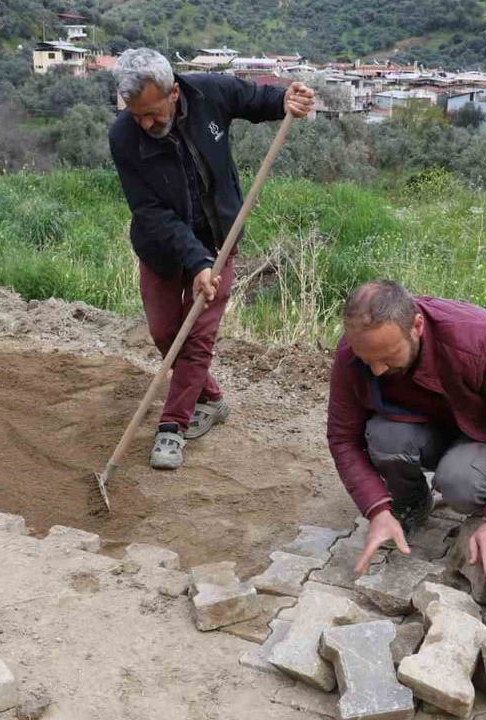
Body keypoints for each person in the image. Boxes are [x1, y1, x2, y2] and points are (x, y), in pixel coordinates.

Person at [109, 48, 314, 470]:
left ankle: (172, 428)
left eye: (151, 113)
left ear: (174, 93)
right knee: (167, 332)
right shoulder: (123, 137)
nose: (145, 124)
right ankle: (213, 398)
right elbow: (150, 212)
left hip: (221, 239)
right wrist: (195, 260)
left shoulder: (210, 93)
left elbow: (255, 100)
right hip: (162, 246)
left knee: (198, 336)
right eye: (136, 115)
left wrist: (284, 101)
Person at [326, 280, 486, 579]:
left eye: (389, 357)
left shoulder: (479, 336)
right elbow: (342, 437)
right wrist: (377, 509)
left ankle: (483, 513)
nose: (377, 370)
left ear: (416, 326)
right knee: (384, 437)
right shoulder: (352, 353)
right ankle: (412, 502)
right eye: (369, 361)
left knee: (460, 482)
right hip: (427, 430)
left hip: (483, 436)